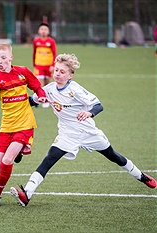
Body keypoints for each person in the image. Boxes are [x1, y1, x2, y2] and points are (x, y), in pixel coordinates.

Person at [10, 53, 157, 207]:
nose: (58, 74)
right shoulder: (49, 89)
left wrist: (89, 113)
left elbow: (99, 105)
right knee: (49, 158)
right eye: (56, 71)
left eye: (62, 72)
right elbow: (31, 101)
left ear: (70, 75)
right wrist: (34, 99)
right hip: (68, 134)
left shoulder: (76, 89)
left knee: (114, 156)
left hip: (88, 132)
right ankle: (27, 193)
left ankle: (141, 176)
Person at [0, 42, 46, 207]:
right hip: (6, 125)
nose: (0, 61)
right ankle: (17, 153)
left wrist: (42, 95)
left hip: (24, 124)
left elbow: (37, 87)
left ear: (11, 57)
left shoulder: (22, 72)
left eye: (3, 57)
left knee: (7, 161)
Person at [32, 22, 57, 108]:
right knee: (38, 82)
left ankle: (46, 99)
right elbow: (34, 52)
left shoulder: (51, 41)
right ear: (39, 31)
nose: (43, 31)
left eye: (45, 29)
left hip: (48, 65)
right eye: (42, 29)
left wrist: (53, 65)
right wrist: (34, 63)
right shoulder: (36, 41)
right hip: (39, 65)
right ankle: (36, 99)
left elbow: (54, 53)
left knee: (47, 82)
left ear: (48, 31)